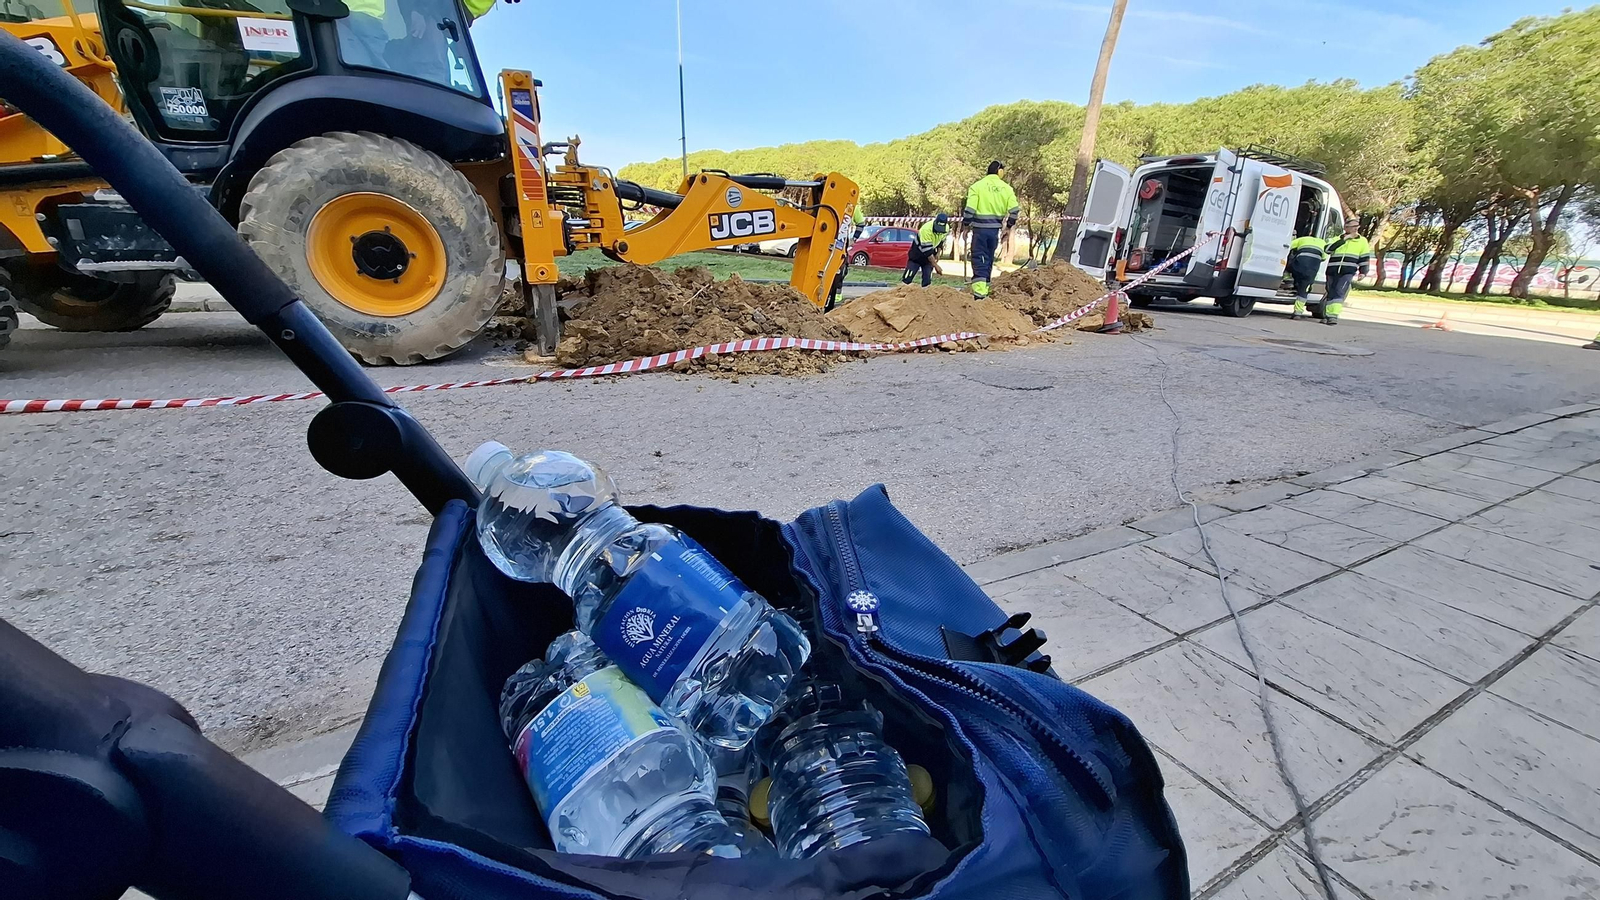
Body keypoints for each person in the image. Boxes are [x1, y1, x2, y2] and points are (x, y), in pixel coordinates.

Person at [963, 161, 1019, 298]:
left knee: (979, 259)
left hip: (980, 231)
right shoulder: (1006, 189)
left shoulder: (977, 187)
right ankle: (985, 291)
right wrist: (1008, 227)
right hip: (994, 231)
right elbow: (1014, 211)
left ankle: (979, 295)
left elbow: (969, 210)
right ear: (1000, 172)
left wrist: (965, 227)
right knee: (988, 260)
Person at [1322, 220, 1372, 326]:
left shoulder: (1362, 241)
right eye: (1352, 226)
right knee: (1330, 292)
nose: (1355, 229)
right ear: (1346, 228)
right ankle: (1327, 315)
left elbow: (1364, 257)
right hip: (1332, 269)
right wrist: (1344, 240)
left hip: (1347, 271)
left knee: (1339, 292)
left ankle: (1333, 316)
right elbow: (1327, 249)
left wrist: (1363, 271)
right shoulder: (1337, 238)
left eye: (1357, 226)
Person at [1287, 226, 1326, 319]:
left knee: (1292, 266)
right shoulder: (1323, 243)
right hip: (1311, 271)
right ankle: (1297, 313)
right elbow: (1324, 258)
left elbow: (1288, 246)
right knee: (1304, 290)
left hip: (1298, 267)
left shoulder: (1302, 239)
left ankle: (1290, 280)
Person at [903, 213, 949, 287]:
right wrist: (936, 266)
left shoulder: (946, 228)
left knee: (927, 279)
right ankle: (902, 290)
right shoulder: (926, 229)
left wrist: (938, 253)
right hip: (917, 253)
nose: (939, 232)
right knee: (908, 277)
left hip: (931, 251)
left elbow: (941, 241)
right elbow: (927, 251)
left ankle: (925, 293)